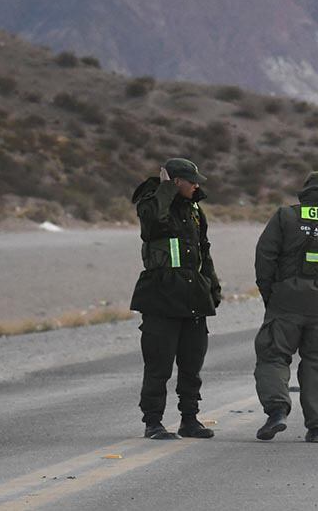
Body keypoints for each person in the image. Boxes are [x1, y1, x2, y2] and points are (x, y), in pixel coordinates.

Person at [253, 171, 318, 443]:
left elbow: (265, 256)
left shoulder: (285, 216)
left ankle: (277, 411)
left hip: (286, 299)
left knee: (274, 356)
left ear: (306, 193)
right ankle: (317, 427)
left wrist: (270, 293)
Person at [129, 158, 221, 440]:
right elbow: (152, 221)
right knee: (159, 364)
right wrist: (166, 188)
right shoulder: (152, 202)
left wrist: (212, 287)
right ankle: (153, 422)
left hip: (193, 295)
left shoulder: (195, 209)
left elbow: (203, 251)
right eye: (191, 181)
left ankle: (189, 420)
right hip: (161, 295)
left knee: (192, 365)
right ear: (175, 181)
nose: (196, 186)